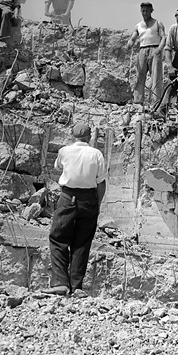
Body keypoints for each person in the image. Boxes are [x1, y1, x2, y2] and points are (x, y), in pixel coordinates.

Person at [44, 122, 108, 296]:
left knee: (58, 238)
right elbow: (101, 183)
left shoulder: (64, 151)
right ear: (90, 137)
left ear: (73, 136)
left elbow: (59, 167)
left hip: (67, 197)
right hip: (89, 200)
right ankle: (76, 286)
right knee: (82, 243)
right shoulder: (97, 154)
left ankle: (60, 282)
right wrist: (97, 205)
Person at [126, 2, 166, 106]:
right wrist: (130, 43)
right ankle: (138, 101)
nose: (145, 13)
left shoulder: (158, 23)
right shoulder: (138, 25)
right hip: (142, 50)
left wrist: (159, 49)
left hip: (154, 49)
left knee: (156, 76)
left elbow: (163, 37)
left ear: (151, 11)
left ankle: (156, 102)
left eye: (147, 10)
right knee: (140, 75)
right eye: (143, 11)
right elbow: (133, 38)